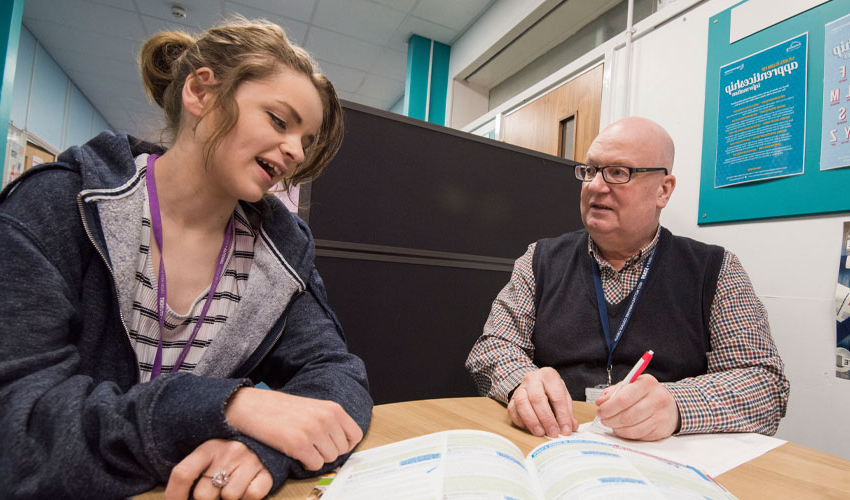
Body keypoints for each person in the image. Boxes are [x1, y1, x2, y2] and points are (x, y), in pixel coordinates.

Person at [0, 18, 372, 500]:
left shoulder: (280, 249)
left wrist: (262, 449)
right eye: (280, 122)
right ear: (201, 92)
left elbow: (338, 377)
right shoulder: (57, 204)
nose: (294, 151)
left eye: (306, 140)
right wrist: (224, 406)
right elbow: (17, 427)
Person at [466, 116, 789, 442]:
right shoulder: (539, 260)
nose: (595, 186)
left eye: (618, 172)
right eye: (590, 171)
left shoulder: (716, 270)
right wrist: (522, 381)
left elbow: (766, 384)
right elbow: (493, 348)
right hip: (558, 441)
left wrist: (678, 405)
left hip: (666, 458)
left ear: (663, 190)